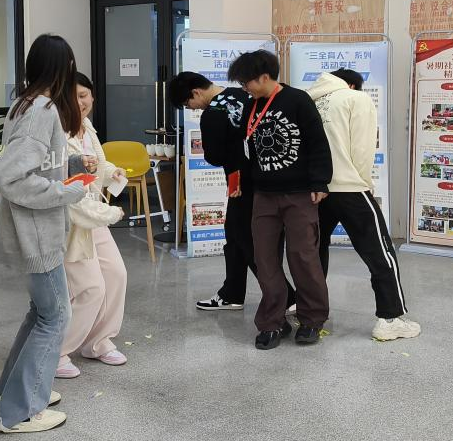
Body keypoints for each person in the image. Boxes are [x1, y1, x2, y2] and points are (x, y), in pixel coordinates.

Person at [0, 34, 88, 434]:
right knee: (56, 315)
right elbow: (9, 176)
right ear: (62, 69)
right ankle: (20, 412)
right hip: (36, 233)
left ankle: (15, 391)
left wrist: (69, 175)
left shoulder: (26, 103)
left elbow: (34, 164)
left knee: (42, 311)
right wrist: (65, 192)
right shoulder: (42, 110)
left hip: (33, 229)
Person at [227, 50, 332, 349]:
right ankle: (272, 322)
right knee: (264, 259)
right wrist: (240, 182)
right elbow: (246, 148)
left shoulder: (298, 100)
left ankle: (312, 319)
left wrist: (320, 181)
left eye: (246, 82)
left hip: (300, 193)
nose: (245, 88)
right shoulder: (252, 106)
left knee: (302, 256)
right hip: (263, 195)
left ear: (264, 77)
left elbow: (318, 142)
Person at [307, 68, 420, 341]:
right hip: (349, 187)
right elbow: (362, 148)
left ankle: (308, 310)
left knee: (312, 253)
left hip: (315, 191)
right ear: (352, 85)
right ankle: (390, 319)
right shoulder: (355, 98)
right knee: (380, 253)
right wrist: (364, 181)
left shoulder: (309, 100)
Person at [167, 71, 295, 312]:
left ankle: (286, 296)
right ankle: (232, 293)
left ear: (196, 92)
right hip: (266, 177)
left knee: (246, 239)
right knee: (235, 237)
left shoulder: (213, 113)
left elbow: (214, 156)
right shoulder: (243, 95)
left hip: (241, 184)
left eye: (188, 104)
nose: (192, 109)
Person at [57, 73, 130, 379]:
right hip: (72, 220)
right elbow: (64, 178)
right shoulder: (57, 131)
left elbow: (95, 164)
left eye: (84, 95)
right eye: (73, 96)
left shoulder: (86, 127)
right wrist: (107, 212)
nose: (80, 102)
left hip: (93, 216)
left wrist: (112, 172)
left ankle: (97, 342)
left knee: (116, 274)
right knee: (90, 288)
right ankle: (57, 351)